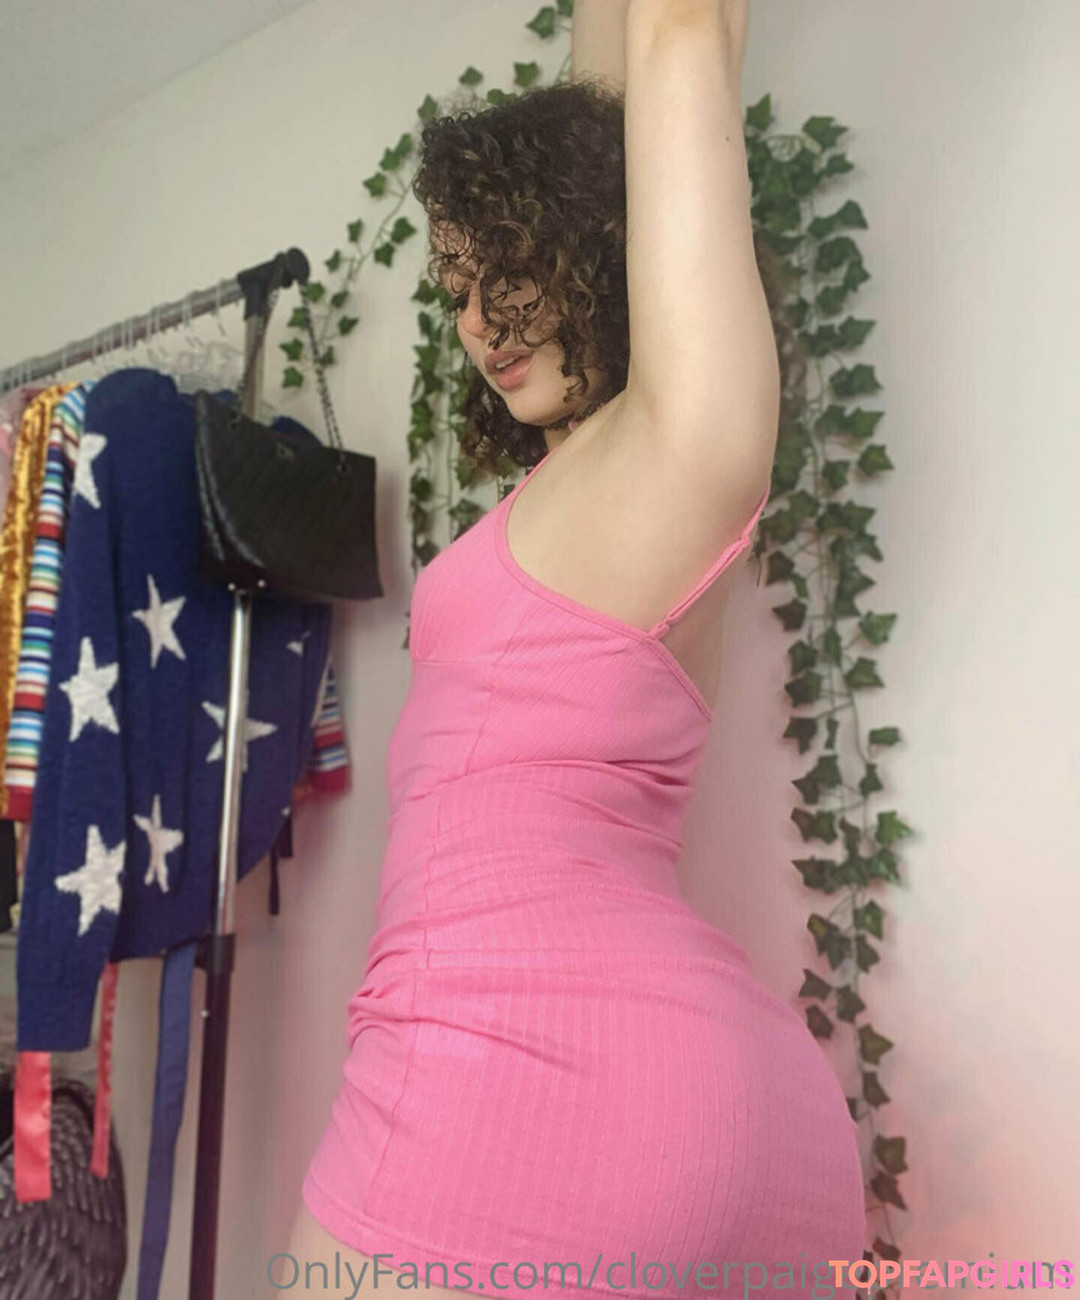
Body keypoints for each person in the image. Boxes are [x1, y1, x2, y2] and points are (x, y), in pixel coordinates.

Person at [280, 3, 866, 1297]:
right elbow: (602, 104)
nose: (483, 320)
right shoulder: (608, 480)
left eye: (513, 266)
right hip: (690, 1094)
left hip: (518, 1065)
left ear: (598, 234)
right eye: (458, 290)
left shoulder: (680, 442)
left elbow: (675, 35)